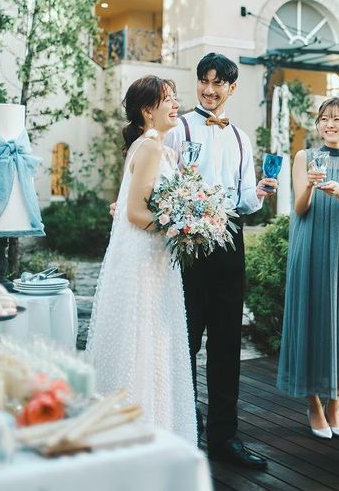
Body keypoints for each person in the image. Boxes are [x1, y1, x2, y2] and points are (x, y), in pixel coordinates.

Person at [165, 52, 275, 469]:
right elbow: (163, 183)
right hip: (188, 243)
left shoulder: (242, 138)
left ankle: (225, 437)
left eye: (217, 83)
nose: (209, 90)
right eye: (203, 81)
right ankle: (184, 428)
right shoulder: (177, 128)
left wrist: (259, 193)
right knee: (185, 339)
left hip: (229, 240)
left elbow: (244, 200)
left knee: (227, 343)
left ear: (232, 88)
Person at [87, 75, 196, 442]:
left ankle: (152, 425)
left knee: (154, 343)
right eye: (168, 99)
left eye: (175, 97)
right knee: (143, 340)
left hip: (155, 258)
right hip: (144, 260)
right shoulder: (149, 147)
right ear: (148, 110)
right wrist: (181, 226)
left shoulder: (159, 149)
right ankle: (139, 432)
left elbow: (130, 204)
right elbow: (135, 213)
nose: (176, 104)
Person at [276, 97, 339, 438]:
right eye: (324, 119)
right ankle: (314, 405)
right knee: (312, 321)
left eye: (337, 119)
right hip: (311, 245)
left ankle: (335, 405)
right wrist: (308, 184)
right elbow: (300, 209)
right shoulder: (304, 156)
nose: (329, 125)